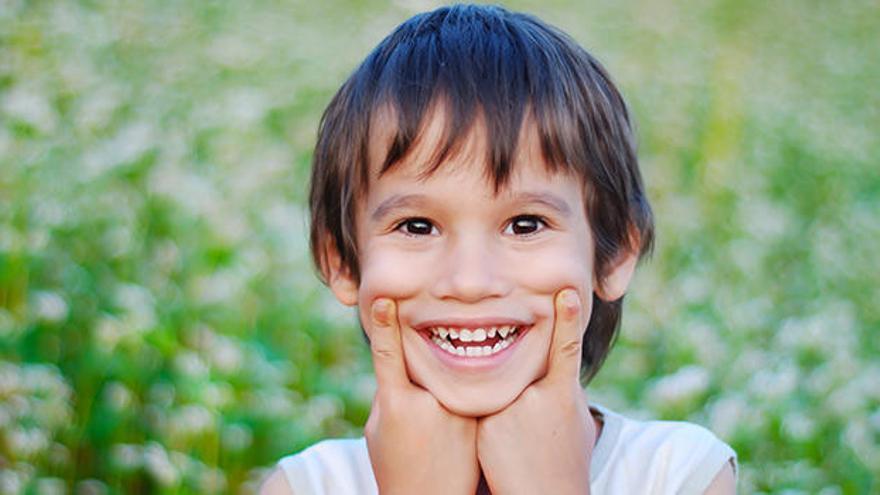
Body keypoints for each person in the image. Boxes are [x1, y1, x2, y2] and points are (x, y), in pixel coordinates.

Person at [261, 4, 737, 494]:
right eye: (418, 226)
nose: (470, 281)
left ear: (613, 254)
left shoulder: (681, 475)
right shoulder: (303, 486)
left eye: (525, 224)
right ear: (340, 260)